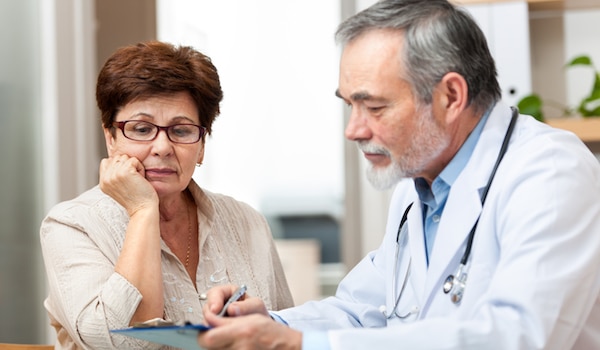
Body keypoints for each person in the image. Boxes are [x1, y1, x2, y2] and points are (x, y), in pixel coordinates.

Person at [197, 0, 600, 349]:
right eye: (349, 106)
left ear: (451, 97)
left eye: (374, 107)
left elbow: (519, 337)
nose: (353, 130)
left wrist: (301, 345)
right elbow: (363, 309)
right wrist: (270, 325)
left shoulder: (550, 173)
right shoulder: (418, 186)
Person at [40, 41, 293, 349]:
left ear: (201, 147)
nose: (162, 147)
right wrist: (143, 210)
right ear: (111, 139)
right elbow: (122, 343)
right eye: (142, 129)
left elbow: (285, 335)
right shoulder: (71, 225)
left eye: (182, 131)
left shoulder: (247, 222)